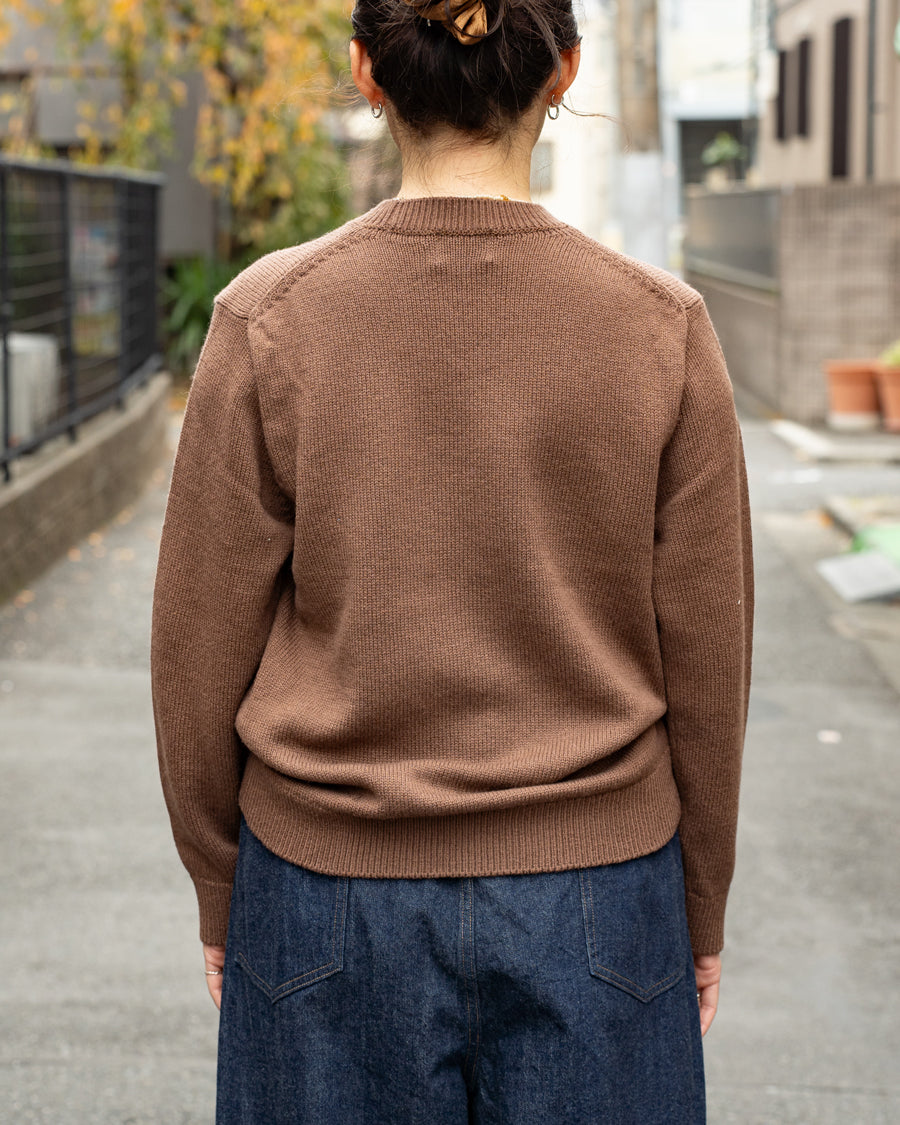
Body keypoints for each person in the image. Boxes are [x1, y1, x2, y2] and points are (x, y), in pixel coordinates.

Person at [150, 1, 754, 1121]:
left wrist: (221, 883)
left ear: (365, 70)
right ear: (565, 70)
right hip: (601, 899)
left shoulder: (268, 318)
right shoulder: (662, 328)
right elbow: (711, 661)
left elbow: (195, 651)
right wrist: (700, 902)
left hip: (321, 896)